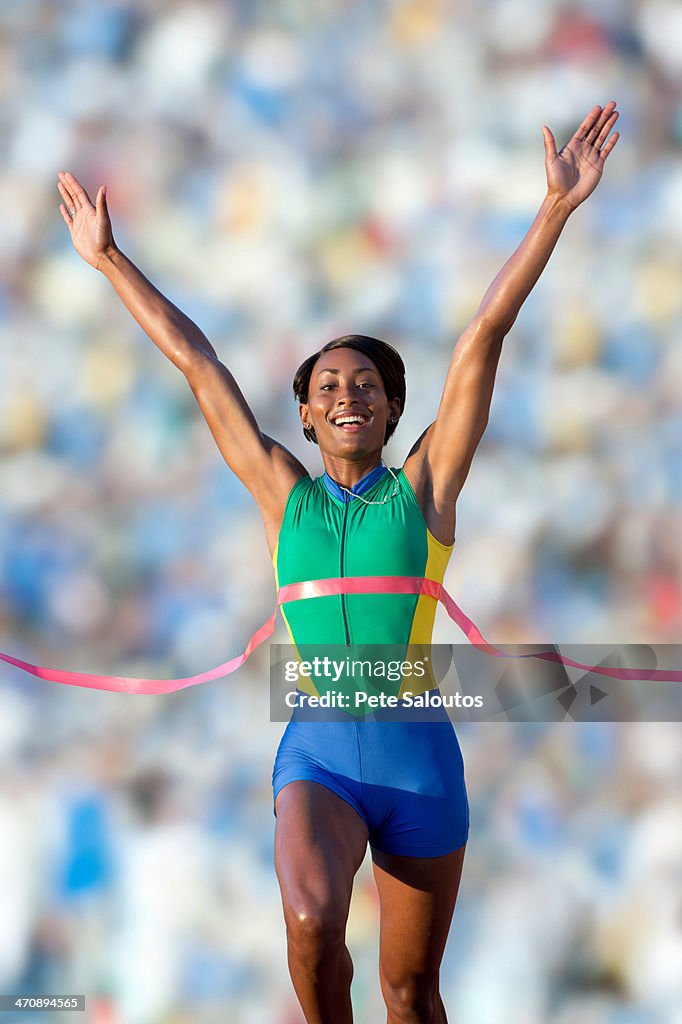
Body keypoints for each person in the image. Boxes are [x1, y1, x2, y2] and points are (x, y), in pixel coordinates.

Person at [57, 101, 619, 1024]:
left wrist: (553, 211)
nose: (347, 395)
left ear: (391, 411)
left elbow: (482, 338)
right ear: (308, 419)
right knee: (313, 923)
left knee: (409, 992)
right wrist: (110, 259)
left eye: (365, 385)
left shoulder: (425, 490)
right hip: (320, 749)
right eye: (327, 388)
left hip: (420, 756)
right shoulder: (286, 494)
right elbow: (200, 367)